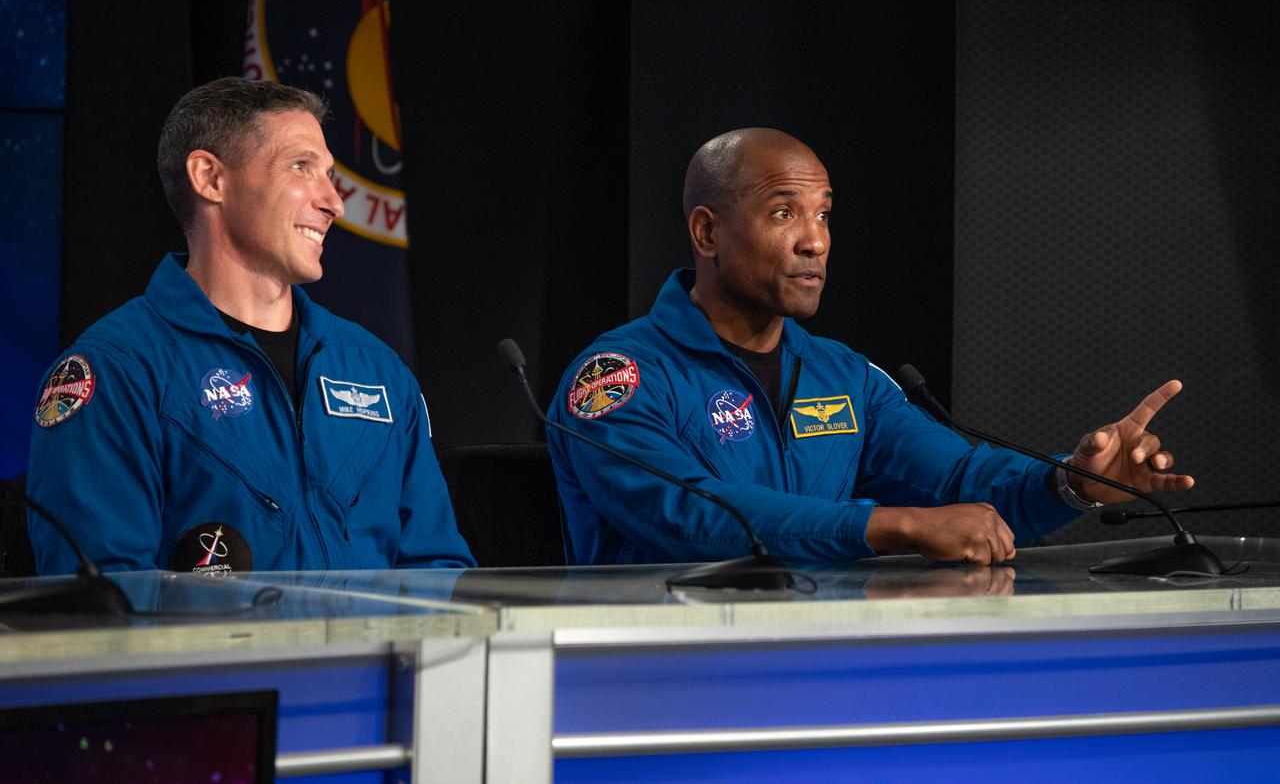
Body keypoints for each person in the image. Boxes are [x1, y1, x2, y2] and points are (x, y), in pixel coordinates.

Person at [547, 128, 1193, 566]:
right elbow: (688, 515)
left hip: (822, 675)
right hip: (662, 683)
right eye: (783, 213)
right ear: (707, 231)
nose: (815, 241)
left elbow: (960, 482)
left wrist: (1069, 482)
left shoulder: (843, 375)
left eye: (824, 213)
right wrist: (889, 524)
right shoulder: (618, 376)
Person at [26, 78, 474, 574]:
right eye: (301, 167)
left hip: (375, 655)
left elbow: (438, 570)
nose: (334, 202)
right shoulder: (115, 372)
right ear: (210, 179)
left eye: (330, 174)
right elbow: (100, 606)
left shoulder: (377, 371)